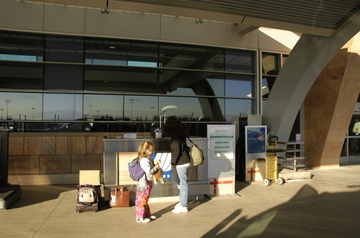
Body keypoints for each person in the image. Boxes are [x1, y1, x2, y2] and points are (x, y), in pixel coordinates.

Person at [162, 116, 191, 213]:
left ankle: (183, 205)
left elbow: (176, 151)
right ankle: (182, 202)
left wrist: (173, 163)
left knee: (183, 184)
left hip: (181, 163)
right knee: (180, 183)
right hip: (183, 161)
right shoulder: (180, 134)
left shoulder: (176, 138)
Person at [135, 140, 160, 223]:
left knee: (144, 199)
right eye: (150, 150)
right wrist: (155, 168)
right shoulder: (144, 160)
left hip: (147, 182)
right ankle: (140, 217)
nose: (151, 152)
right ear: (145, 150)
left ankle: (146, 215)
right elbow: (148, 171)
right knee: (142, 200)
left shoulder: (147, 159)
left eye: (152, 150)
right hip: (144, 182)